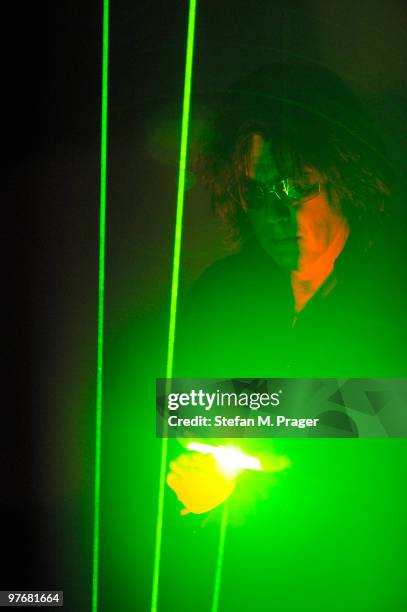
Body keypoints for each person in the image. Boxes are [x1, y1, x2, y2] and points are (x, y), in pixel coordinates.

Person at [166, 62, 406, 514]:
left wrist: (268, 430)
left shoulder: (394, 285)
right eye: (257, 194)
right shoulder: (224, 289)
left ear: (343, 179)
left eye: (295, 187)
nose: (276, 216)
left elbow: (394, 411)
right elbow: (181, 407)